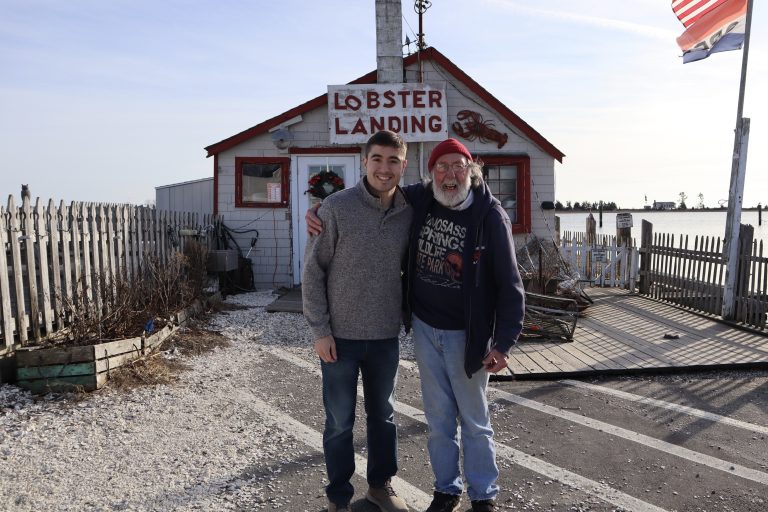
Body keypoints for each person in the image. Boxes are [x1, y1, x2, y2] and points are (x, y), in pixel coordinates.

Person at [307, 138, 525, 512]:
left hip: (451, 336)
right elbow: (315, 267)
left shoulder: (485, 215)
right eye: (442, 167)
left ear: (471, 169)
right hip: (403, 332)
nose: (450, 174)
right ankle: (437, 491)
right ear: (430, 173)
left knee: (465, 419)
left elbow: (510, 284)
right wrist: (321, 208)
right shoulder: (404, 202)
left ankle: (480, 496)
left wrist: (504, 341)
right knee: (426, 419)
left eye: (458, 166)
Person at [302, 130, 413, 512]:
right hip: (340, 339)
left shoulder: (409, 210)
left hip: (384, 336)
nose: (385, 168)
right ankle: (338, 498)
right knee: (339, 422)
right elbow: (313, 271)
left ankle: (381, 487)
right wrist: (320, 330)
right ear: (364, 162)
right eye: (378, 159)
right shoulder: (335, 208)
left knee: (383, 415)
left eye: (393, 160)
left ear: (403, 165)